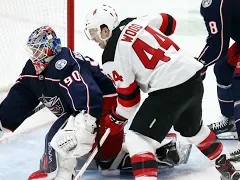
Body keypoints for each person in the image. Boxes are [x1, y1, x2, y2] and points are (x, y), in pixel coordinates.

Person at [0, 25, 193, 180]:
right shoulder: (34, 67)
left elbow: (88, 92)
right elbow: (22, 93)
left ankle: (157, 149)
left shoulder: (64, 63)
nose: (35, 56)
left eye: (39, 50)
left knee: (68, 142)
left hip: (105, 106)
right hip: (81, 109)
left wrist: (86, 122)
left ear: (51, 48)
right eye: (33, 51)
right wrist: (0, 123)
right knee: (85, 154)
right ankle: (62, 171)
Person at [84, 4, 240, 180]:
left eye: (94, 32)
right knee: (194, 130)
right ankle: (229, 169)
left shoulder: (110, 56)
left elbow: (130, 102)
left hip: (169, 88)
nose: (94, 39)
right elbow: (169, 22)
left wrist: (115, 117)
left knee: (138, 139)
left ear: (105, 29)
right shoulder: (136, 21)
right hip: (193, 77)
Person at [196, 0, 240, 159]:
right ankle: (233, 121)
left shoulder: (215, 3)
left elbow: (217, 47)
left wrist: (197, 65)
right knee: (224, 68)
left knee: (238, 84)